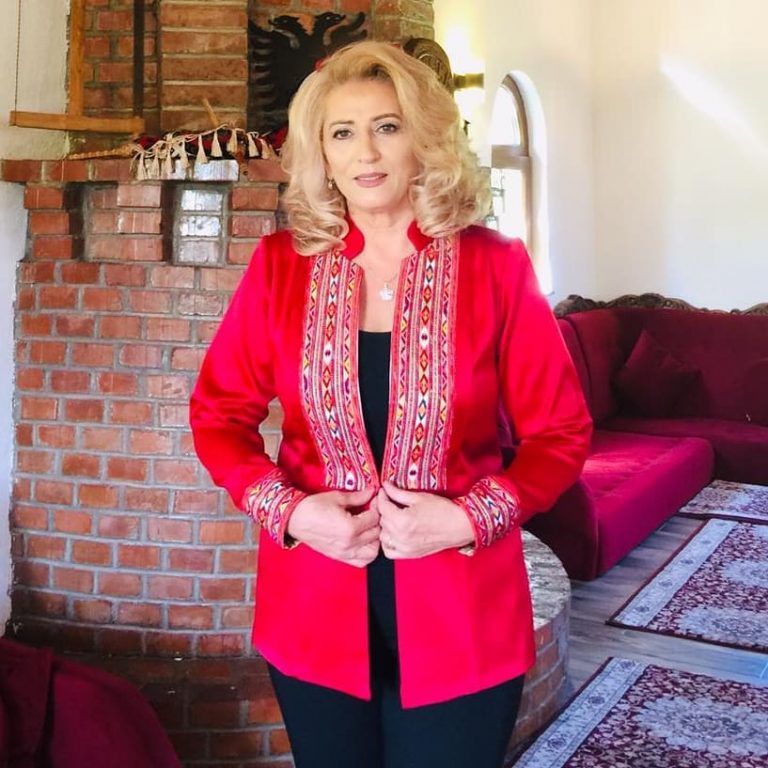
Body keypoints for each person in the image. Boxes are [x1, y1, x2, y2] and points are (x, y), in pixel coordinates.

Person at [190, 40, 592, 768]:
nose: (366, 152)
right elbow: (218, 416)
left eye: (387, 126)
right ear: (321, 153)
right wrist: (291, 512)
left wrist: (469, 518)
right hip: (312, 607)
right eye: (342, 132)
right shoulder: (280, 267)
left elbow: (559, 433)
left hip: (463, 611)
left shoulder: (496, 266)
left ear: (423, 139)